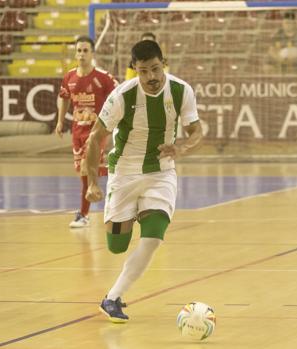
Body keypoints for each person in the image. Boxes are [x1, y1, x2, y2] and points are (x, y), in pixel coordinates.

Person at [84, 40, 203, 323]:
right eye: (143, 71)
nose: (151, 77)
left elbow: (196, 131)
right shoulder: (122, 95)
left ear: (164, 63)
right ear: (134, 70)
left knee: (153, 237)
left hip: (161, 172)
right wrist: (91, 183)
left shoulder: (181, 90)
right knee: (117, 246)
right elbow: (95, 137)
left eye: (155, 69)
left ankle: (112, 298)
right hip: (124, 173)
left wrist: (183, 148)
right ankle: (133, 214)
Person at [55, 35, 118, 228]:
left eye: (85, 50)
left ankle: (83, 214)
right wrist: (60, 121)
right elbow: (64, 97)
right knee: (86, 172)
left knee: (85, 167)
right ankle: (120, 171)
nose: (81, 54)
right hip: (77, 131)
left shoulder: (103, 77)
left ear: (92, 53)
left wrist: (112, 124)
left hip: (97, 131)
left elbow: (118, 98)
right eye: (79, 50)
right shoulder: (70, 77)